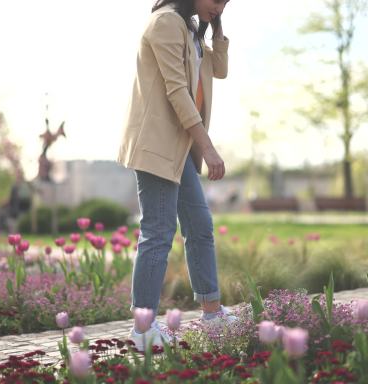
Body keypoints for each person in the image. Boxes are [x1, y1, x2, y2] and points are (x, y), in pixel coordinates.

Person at [117, 0, 235, 352]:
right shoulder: (166, 23)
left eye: (226, 3)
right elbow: (176, 91)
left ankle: (212, 314)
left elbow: (220, 71)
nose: (221, 6)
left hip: (179, 147)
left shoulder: (189, 29)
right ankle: (143, 328)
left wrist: (216, 29)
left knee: (199, 225)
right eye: (217, 0)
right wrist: (209, 147)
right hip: (157, 144)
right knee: (158, 230)